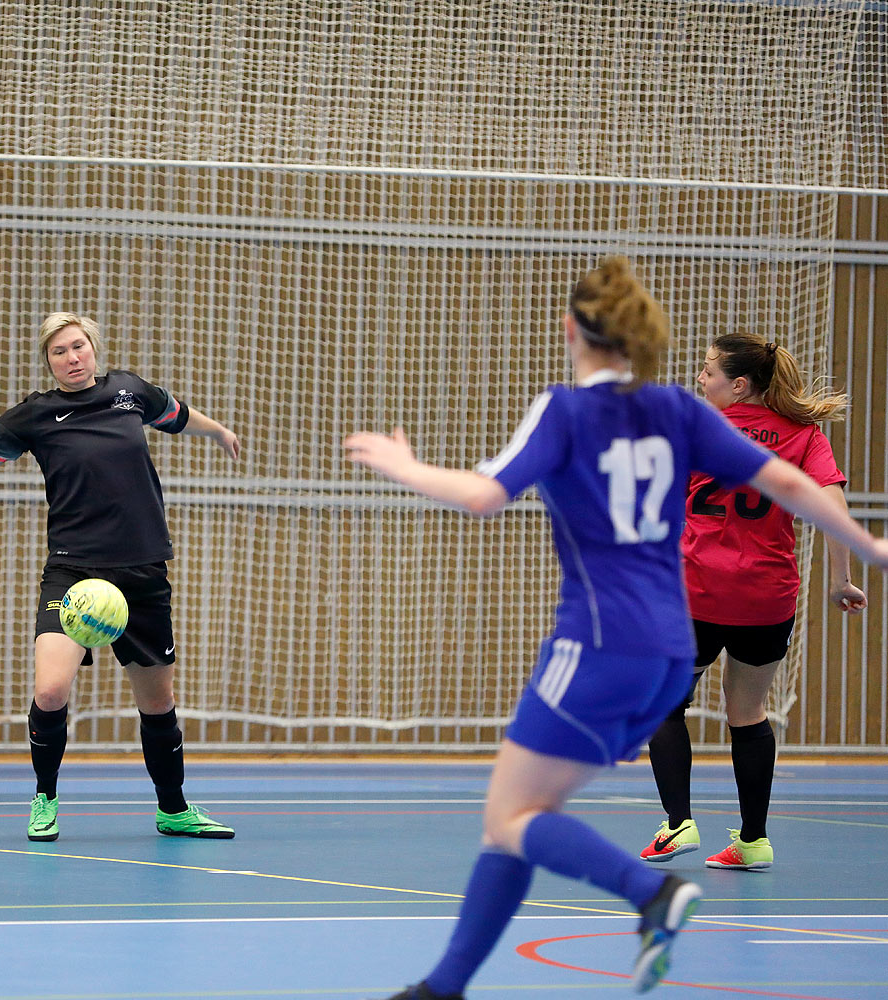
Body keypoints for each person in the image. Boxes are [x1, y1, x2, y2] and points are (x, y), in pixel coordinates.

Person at [342, 257, 888, 1000]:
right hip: (667, 651)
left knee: (511, 817)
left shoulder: (565, 409)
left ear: (573, 330)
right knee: (519, 819)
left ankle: (649, 893)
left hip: (599, 647)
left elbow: (482, 496)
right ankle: (441, 988)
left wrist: (403, 464)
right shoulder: (681, 410)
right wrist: (869, 548)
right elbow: (790, 482)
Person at [0, 312, 241, 841]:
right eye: (60, 352)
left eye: (78, 346)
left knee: (158, 702)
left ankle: (173, 809)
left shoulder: (130, 392)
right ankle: (45, 799)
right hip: (73, 571)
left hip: (142, 569)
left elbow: (177, 414)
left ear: (93, 348)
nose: (72, 358)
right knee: (51, 689)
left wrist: (217, 431)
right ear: (49, 362)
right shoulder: (34, 416)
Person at [639, 333, 866, 871]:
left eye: (708, 370)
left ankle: (678, 824)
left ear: (738, 385)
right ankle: (754, 840)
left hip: (698, 592)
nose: (699, 379)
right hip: (767, 598)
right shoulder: (805, 436)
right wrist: (841, 579)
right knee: (749, 713)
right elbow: (831, 505)